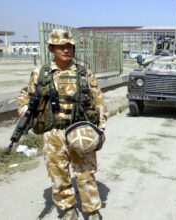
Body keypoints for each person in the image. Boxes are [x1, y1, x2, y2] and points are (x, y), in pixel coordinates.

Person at [17, 29, 108, 220]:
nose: (66, 51)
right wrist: (25, 111)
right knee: (59, 174)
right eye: (61, 47)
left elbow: (98, 100)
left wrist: (100, 129)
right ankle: (67, 210)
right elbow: (25, 96)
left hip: (80, 130)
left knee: (85, 174)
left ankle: (91, 211)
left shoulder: (85, 73)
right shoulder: (40, 73)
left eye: (69, 47)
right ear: (51, 48)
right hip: (53, 134)